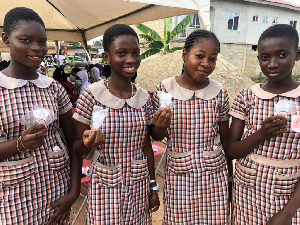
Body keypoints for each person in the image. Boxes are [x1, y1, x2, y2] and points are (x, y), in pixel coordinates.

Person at [72, 24, 171, 224]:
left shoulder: (144, 97)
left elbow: (146, 147)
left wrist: (153, 187)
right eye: (121, 53)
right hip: (105, 184)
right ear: (106, 57)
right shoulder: (91, 96)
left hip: (138, 183)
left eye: (135, 53)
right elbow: (76, 148)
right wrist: (87, 143)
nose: (131, 60)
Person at [0, 7, 82, 224]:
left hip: (57, 195)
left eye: (42, 42)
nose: (36, 48)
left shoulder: (53, 89)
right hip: (14, 200)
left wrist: (73, 193)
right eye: (25, 40)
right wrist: (19, 144)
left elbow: (74, 142)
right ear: (6, 39)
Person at [152, 29, 230, 224]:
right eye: (199, 56)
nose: (206, 63)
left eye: (212, 59)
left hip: (214, 175)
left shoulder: (219, 91)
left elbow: (225, 139)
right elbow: (155, 134)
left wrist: (229, 177)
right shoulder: (165, 89)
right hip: (180, 176)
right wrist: (161, 126)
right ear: (184, 54)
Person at [228, 24, 300, 225]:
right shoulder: (247, 97)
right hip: (247, 193)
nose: (272, 64)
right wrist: (261, 134)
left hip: (289, 196)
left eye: (282, 54)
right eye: (265, 57)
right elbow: (232, 151)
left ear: (298, 55)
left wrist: (287, 214)